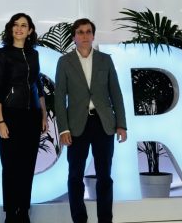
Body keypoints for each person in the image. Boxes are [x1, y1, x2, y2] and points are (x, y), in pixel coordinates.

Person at [54, 19, 127, 223]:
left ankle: (105, 219)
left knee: (105, 176)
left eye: (88, 32)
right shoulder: (64, 62)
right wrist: (63, 129)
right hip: (76, 125)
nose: (84, 35)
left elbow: (116, 93)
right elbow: (59, 97)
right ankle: (79, 219)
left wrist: (121, 124)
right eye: (80, 32)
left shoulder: (105, 60)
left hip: (104, 124)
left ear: (93, 35)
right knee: (75, 176)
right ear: (74, 37)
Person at [0, 13, 47, 223]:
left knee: (28, 165)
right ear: (10, 28)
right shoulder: (2, 54)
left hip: (32, 116)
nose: (19, 28)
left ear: (30, 30)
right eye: (15, 25)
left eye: (24, 25)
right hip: (9, 114)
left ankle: (23, 211)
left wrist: (43, 115)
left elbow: (38, 85)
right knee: (10, 166)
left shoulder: (34, 54)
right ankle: (10, 213)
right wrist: (0, 120)